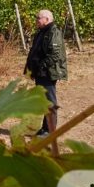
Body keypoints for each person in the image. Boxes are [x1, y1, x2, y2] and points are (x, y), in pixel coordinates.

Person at [25, 9, 68, 137]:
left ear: (47, 19)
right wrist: (31, 69)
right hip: (40, 73)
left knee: (50, 102)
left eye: (38, 18)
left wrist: (41, 66)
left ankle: (50, 131)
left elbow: (55, 54)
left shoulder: (53, 32)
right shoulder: (42, 32)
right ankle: (45, 128)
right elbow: (35, 52)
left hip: (48, 73)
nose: (36, 20)